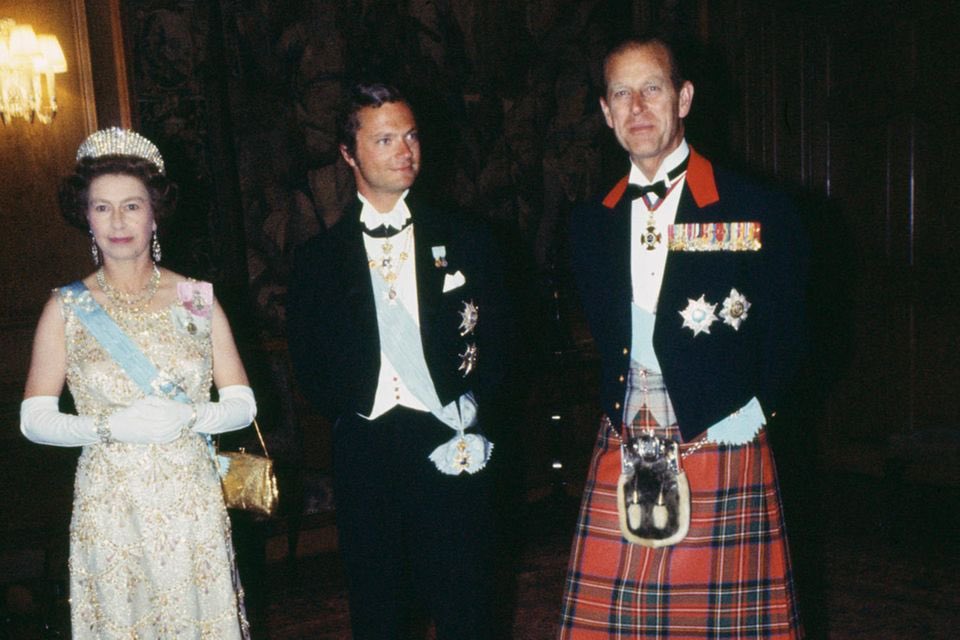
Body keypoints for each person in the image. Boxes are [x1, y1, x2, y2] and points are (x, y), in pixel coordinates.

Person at [560, 36, 807, 638]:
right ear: (605, 112)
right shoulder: (591, 220)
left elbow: (799, 324)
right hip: (627, 426)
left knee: (716, 623)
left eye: (653, 88)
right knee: (615, 615)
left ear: (685, 98)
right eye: (621, 93)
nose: (637, 107)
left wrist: (760, 404)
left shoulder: (755, 207)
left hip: (722, 426)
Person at [286, 82, 511, 639]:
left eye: (410, 136)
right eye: (385, 140)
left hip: (450, 434)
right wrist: (355, 407)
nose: (405, 151)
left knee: (468, 607)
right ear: (348, 153)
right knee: (379, 611)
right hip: (366, 446)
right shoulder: (318, 260)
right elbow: (309, 362)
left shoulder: (469, 238)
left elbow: (506, 342)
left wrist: (478, 411)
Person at [20, 128, 257, 639]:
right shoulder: (66, 308)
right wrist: (110, 427)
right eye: (102, 208)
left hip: (189, 499)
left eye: (132, 206)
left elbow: (242, 403)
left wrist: (190, 416)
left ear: (154, 213)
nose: (118, 222)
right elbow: (34, 420)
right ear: (86, 216)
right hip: (110, 503)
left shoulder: (196, 298)